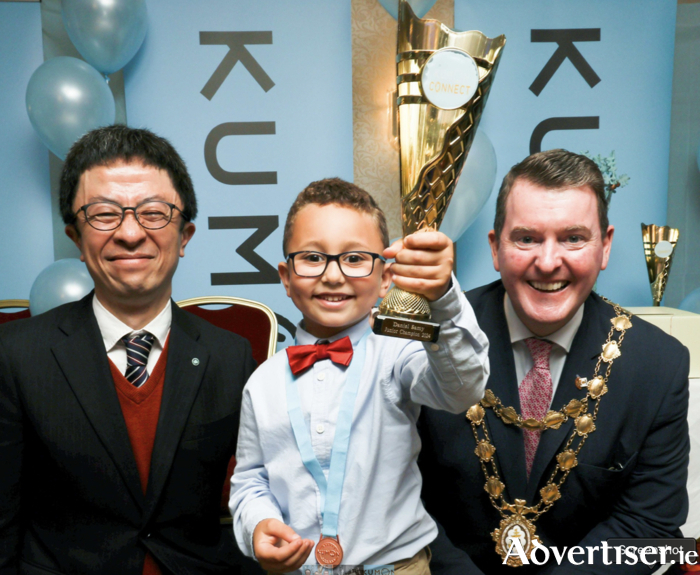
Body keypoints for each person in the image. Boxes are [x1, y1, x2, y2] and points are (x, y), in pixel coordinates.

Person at [419, 149, 690, 574]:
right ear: (495, 247)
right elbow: (395, 496)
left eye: (573, 238)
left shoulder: (658, 365)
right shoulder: (426, 343)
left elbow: (651, 522)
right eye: (526, 238)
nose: (548, 262)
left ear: (605, 246)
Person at [0, 125, 256, 575]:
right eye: (103, 214)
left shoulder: (231, 357)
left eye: (154, 213)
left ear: (185, 235)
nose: (131, 233)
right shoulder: (16, 356)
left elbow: (259, 493)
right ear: (76, 238)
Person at [229, 178, 490, 573]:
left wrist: (443, 299)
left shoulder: (400, 354)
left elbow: (463, 389)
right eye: (313, 258)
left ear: (386, 278)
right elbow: (250, 479)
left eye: (354, 258)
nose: (333, 276)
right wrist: (257, 525)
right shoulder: (262, 382)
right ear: (285, 276)